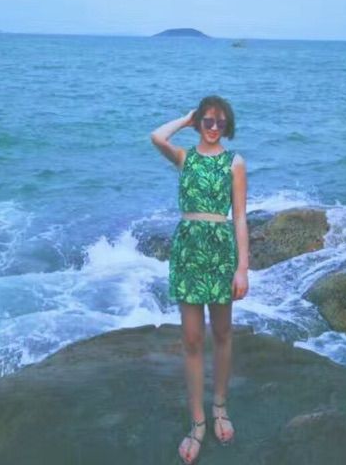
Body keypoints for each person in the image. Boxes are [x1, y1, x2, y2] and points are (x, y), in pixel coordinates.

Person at [150, 95, 249, 464]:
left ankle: (219, 406)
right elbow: (157, 137)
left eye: (220, 122)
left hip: (221, 251)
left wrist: (242, 267)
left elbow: (240, 217)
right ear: (198, 123)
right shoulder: (185, 158)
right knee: (192, 339)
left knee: (222, 333)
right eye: (207, 120)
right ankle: (197, 421)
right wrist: (185, 118)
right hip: (189, 251)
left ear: (227, 126)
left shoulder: (234, 162)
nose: (213, 127)